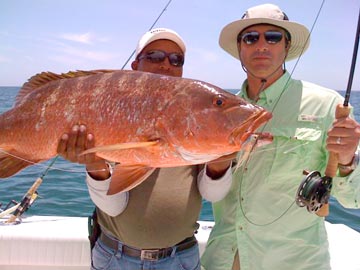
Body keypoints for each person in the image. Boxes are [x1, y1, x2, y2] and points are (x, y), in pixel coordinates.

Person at [57, 28, 233, 270]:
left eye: (176, 60)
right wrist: (94, 164)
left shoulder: (192, 117)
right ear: (135, 64)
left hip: (182, 256)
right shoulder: (111, 107)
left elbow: (212, 195)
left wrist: (220, 161)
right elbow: (113, 206)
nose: (166, 65)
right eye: (155, 56)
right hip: (115, 257)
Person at [201, 4, 360, 270]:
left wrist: (346, 161)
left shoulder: (326, 105)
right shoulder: (218, 110)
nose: (262, 45)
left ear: (286, 46)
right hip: (225, 260)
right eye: (251, 38)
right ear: (240, 48)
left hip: (294, 262)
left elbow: (353, 200)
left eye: (273, 37)